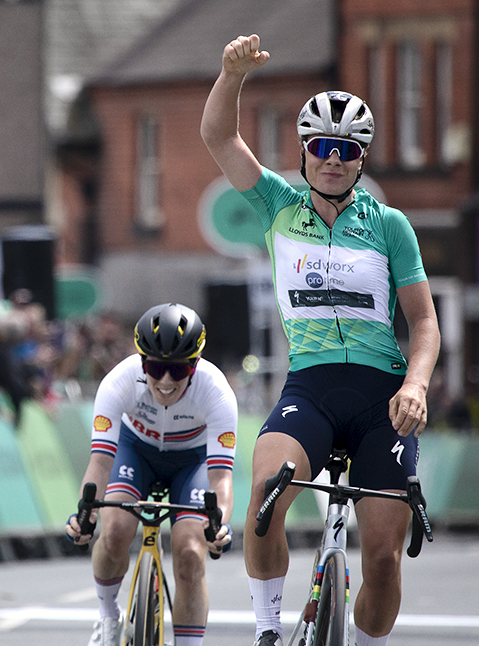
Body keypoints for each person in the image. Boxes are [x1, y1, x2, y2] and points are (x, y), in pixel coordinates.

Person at [200, 34, 441, 646]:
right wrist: (232, 77)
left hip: (381, 398)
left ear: (360, 159)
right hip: (309, 387)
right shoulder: (276, 206)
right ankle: (266, 631)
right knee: (261, 496)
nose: (332, 159)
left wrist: (415, 385)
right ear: (305, 153)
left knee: (383, 558)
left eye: (345, 149)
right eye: (320, 148)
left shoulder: (389, 226)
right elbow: (220, 140)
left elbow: (425, 324)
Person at [66, 303, 238, 646]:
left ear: (195, 364)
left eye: (177, 370)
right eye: (155, 367)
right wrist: (86, 515)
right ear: (142, 361)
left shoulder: (217, 392)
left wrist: (217, 525)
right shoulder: (119, 381)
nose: (164, 380)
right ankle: (108, 617)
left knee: (190, 551)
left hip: (192, 462)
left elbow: (220, 478)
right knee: (115, 530)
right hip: (136, 451)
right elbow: (100, 463)